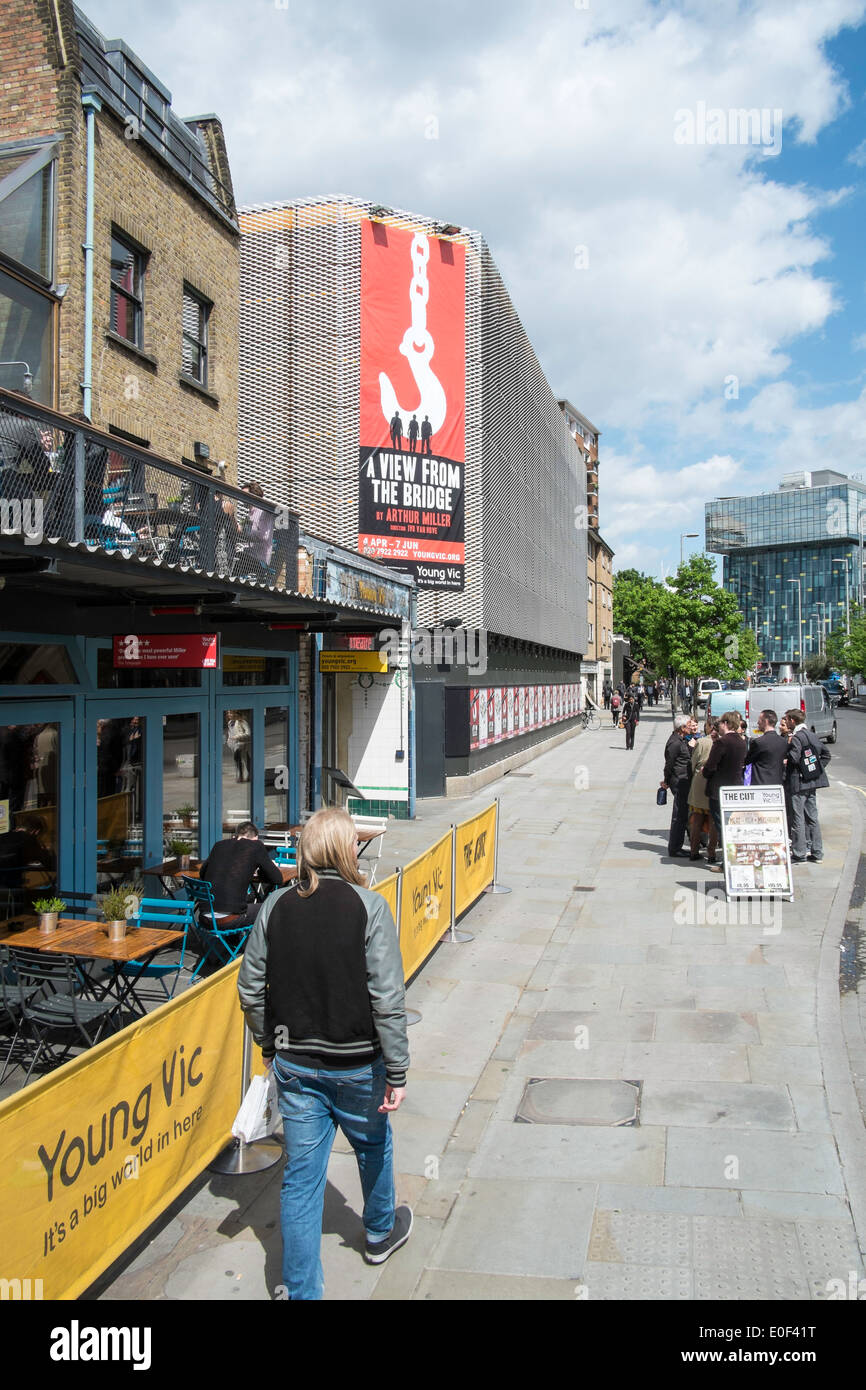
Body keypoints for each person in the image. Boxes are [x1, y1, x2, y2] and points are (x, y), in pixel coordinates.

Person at [237, 807, 411, 1301]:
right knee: (373, 1146)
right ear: (346, 847)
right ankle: (379, 1232)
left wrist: (267, 1043)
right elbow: (387, 998)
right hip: (357, 1063)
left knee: (302, 1178)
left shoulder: (275, 906)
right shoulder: (369, 906)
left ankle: (301, 1289)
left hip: (295, 1065)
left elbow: (250, 990)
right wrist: (397, 1069)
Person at [199, 821, 283, 932]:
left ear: (236, 835)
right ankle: (261, 948)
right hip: (229, 919)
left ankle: (231, 944)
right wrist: (259, 870)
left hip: (204, 918)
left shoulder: (219, 845)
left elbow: (202, 873)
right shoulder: (255, 846)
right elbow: (277, 879)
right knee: (272, 906)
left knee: (245, 899)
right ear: (255, 838)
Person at [783, 709, 830, 863]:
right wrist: (815, 771)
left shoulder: (796, 738)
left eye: (787, 719)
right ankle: (817, 853)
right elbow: (826, 755)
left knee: (798, 818)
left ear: (792, 720)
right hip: (812, 782)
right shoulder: (811, 735)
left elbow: (794, 758)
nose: (786, 722)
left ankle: (799, 853)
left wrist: (786, 758)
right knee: (813, 818)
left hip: (798, 783)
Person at [701, 711, 746, 866]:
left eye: (719, 723)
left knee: (722, 826)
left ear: (726, 724)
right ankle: (734, 858)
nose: (717, 726)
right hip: (736, 788)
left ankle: (728, 862)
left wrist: (704, 771)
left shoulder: (722, 742)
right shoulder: (741, 741)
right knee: (732, 824)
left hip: (719, 790)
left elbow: (710, 767)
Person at [661, 714, 697, 856]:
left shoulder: (681, 740)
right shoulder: (674, 743)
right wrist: (667, 781)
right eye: (689, 725)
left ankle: (678, 845)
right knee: (679, 815)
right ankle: (675, 848)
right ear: (682, 728)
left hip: (684, 780)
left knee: (683, 814)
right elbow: (669, 764)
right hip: (679, 781)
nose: (691, 727)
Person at [688, 717, 719, 862]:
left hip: (700, 780)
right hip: (715, 781)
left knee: (697, 818)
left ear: (708, 726)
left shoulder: (702, 742)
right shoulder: (721, 741)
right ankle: (711, 852)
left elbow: (693, 763)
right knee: (714, 819)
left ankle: (694, 850)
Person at [745, 710, 787, 786]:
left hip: (761, 783)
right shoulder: (783, 742)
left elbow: (747, 760)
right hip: (777, 783)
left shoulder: (758, 742)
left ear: (766, 721)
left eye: (759, 720)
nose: (758, 723)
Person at [225, 710, 251, 782]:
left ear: (235, 713)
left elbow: (248, 733)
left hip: (243, 744)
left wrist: (237, 737)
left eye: (230, 713)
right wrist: (229, 741)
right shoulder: (230, 723)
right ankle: (242, 775)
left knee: (243, 759)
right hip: (235, 744)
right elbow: (230, 734)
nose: (229, 714)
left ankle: (245, 775)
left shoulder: (242, 722)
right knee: (239, 759)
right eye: (228, 713)